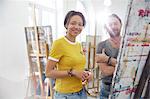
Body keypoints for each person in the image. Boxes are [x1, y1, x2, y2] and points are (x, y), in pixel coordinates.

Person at [46, 10, 92, 99]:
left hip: (81, 91)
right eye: (73, 23)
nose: (76, 27)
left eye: (80, 24)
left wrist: (87, 73)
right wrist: (72, 72)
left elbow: (78, 67)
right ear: (66, 25)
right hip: (65, 94)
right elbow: (48, 73)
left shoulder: (78, 45)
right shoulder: (59, 43)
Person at [96, 14, 122, 99]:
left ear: (121, 25)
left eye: (115, 23)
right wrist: (125, 66)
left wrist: (108, 59)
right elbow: (106, 71)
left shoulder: (129, 44)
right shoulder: (101, 45)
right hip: (107, 90)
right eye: (110, 24)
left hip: (127, 88)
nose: (113, 26)